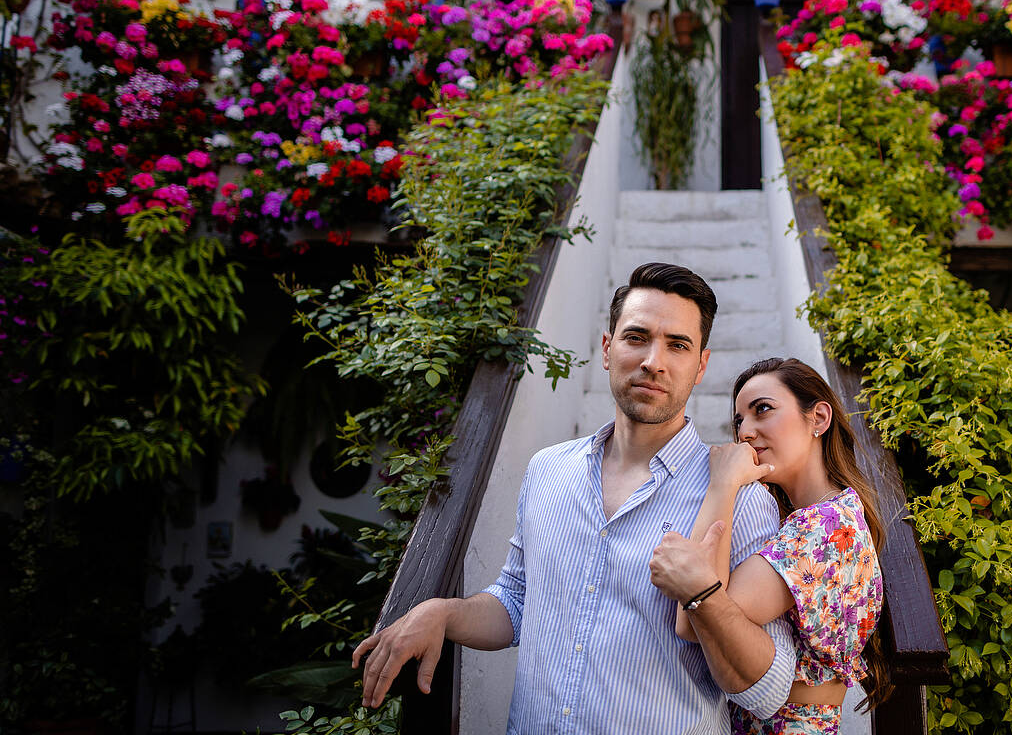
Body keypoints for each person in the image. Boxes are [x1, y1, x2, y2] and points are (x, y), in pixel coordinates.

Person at [352, 262, 796, 733]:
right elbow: (518, 600)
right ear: (607, 349)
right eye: (636, 337)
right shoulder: (548, 470)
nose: (653, 361)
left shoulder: (739, 497)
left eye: (678, 345)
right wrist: (441, 612)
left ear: (701, 365)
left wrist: (704, 596)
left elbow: (768, 688)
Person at [649, 357, 888, 734]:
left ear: (819, 419)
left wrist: (724, 484)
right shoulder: (808, 518)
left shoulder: (826, 528)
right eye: (739, 420)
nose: (745, 432)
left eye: (763, 410)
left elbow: (694, 618)